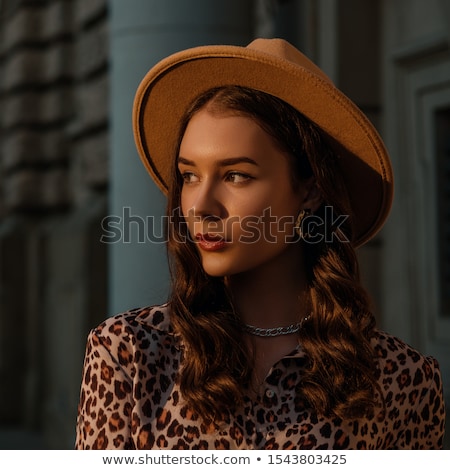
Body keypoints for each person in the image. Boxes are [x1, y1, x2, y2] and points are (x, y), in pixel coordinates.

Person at [75, 38, 446, 450]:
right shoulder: (129, 353)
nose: (200, 206)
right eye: (189, 176)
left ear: (309, 190)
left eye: (236, 175)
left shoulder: (401, 378)